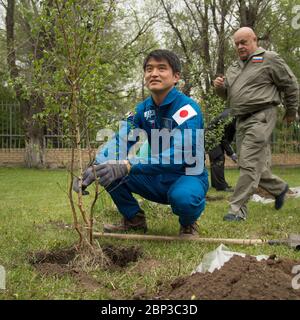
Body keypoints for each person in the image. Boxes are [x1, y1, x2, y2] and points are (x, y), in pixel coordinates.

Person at [74, 49, 208, 237]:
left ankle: (188, 223)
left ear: (176, 77)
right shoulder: (141, 110)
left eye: (162, 68)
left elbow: (180, 154)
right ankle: (133, 219)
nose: (154, 73)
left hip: (186, 176)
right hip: (154, 177)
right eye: (149, 69)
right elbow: (120, 140)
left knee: (183, 198)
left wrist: (128, 165)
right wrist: (94, 167)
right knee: (107, 170)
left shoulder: (187, 109)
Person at [213, 27, 299, 221]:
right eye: (237, 44)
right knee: (249, 162)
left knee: (249, 164)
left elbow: (290, 84)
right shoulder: (234, 67)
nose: (240, 47)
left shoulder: (269, 58)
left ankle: (237, 210)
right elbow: (227, 96)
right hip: (241, 120)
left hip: (262, 115)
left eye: (244, 42)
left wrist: (291, 110)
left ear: (255, 40)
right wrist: (220, 88)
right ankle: (279, 188)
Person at [207, 109, 237, 192]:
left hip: (214, 136)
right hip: (211, 137)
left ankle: (216, 184)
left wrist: (230, 152)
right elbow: (224, 139)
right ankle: (221, 187)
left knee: (216, 160)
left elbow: (225, 138)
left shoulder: (232, 114)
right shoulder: (230, 119)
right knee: (218, 158)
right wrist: (231, 153)